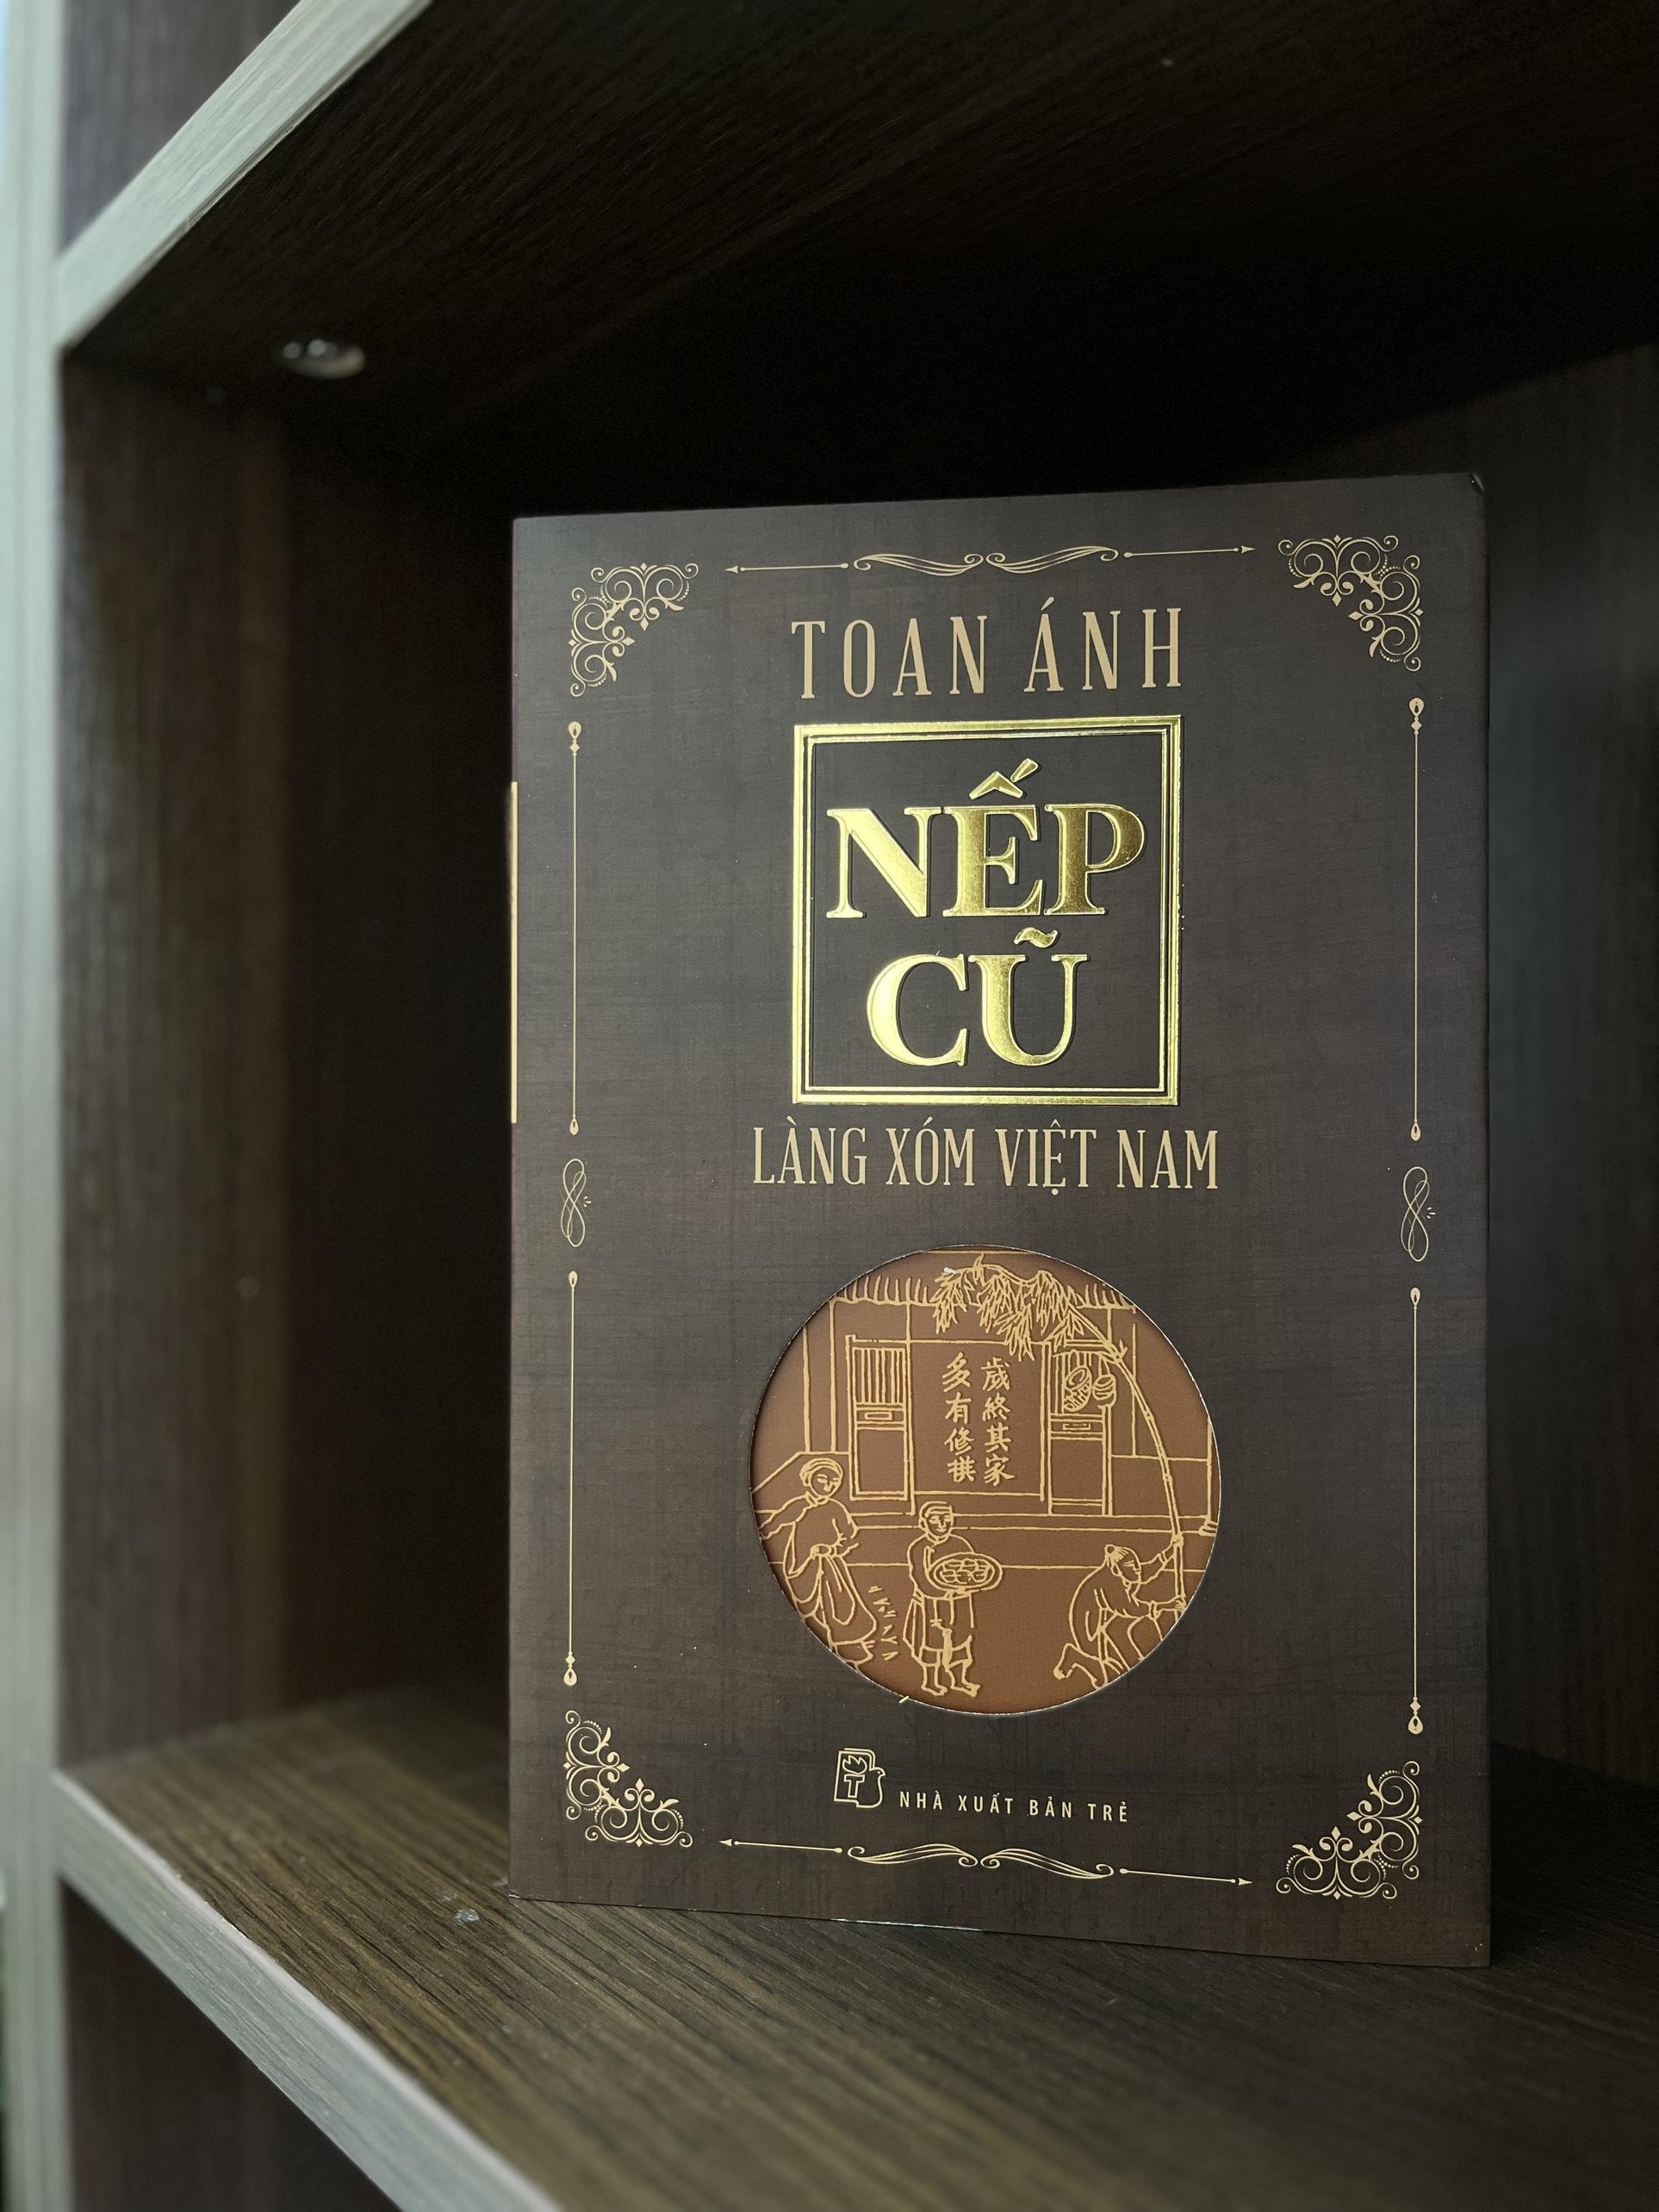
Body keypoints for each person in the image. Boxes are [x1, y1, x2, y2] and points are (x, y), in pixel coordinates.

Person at [767, 1458, 877, 1665]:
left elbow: (850, 1536)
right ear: (809, 1480)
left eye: (834, 1482)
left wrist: (833, 1549)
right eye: (823, 1479)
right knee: (807, 1605)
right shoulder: (799, 1506)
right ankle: (813, 1647)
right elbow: (774, 1524)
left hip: (829, 1563)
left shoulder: (836, 1508)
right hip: (801, 1563)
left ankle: (846, 1644)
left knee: (838, 1603)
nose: (828, 1486)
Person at [1053, 1538, 1185, 1689]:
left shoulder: (1127, 1574)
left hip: (1103, 1622)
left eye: (1137, 1564)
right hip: (1088, 1627)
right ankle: (1075, 1655)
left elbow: (1148, 1570)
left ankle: (1131, 1664)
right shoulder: (1108, 1583)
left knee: (1114, 1664)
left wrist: (1171, 1550)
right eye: (1132, 1566)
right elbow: (1129, 1608)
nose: (1137, 1569)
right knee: (1102, 1680)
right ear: (1117, 1570)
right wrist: (1165, 1606)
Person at [904, 1501, 982, 1699]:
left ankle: (960, 1680)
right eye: (935, 1519)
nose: (942, 1523)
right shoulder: (920, 1548)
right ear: (924, 1523)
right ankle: (931, 1681)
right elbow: (920, 1577)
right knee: (933, 1643)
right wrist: (946, 1594)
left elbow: (972, 1569)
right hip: (932, 1604)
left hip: (960, 1603)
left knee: (961, 1641)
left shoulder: (960, 1544)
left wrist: (969, 1587)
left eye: (947, 1518)